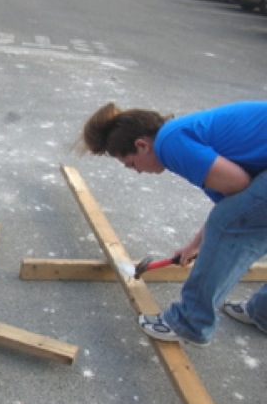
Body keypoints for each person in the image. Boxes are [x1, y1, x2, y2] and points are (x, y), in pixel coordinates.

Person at [81, 100, 267, 346]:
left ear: (141, 145)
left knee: (226, 223)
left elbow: (238, 193)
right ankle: (263, 312)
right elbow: (239, 204)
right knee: (235, 220)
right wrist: (194, 245)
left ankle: (189, 322)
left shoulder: (169, 142)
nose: (136, 172)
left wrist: (208, 239)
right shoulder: (183, 133)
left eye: (131, 164)